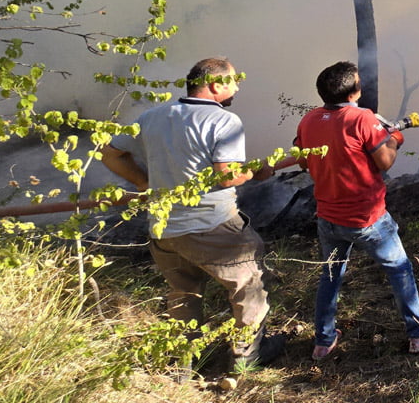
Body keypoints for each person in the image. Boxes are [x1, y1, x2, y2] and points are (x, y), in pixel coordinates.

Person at [101, 57, 285, 370]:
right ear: (216, 85)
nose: (237, 87)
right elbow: (227, 176)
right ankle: (247, 357)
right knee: (250, 285)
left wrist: (143, 181)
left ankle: (185, 361)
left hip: (164, 229)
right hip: (212, 225)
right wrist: (255, 171)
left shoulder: (152, 116)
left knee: (184, 291)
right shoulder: (224, 121)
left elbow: (109, 152)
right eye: (234, 80)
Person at [293, 60, 419, 360]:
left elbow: (303, 161)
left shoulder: (309, 120)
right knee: (399, 270)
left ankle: (323, 341)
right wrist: (396, 137)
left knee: (330, 275)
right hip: (368, 219)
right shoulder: (362, 118)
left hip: (328, 218)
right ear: (353, 91)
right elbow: (385, 160)